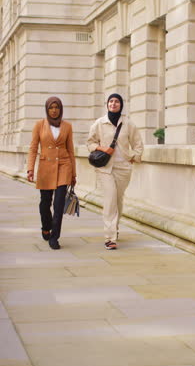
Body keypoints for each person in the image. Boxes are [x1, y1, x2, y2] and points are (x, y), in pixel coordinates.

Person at [87, 93, 143, 250]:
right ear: (107, 104)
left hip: (123, 168)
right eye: (111, 101)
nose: (113, 104)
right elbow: (90, 143)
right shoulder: (99, 123)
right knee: (110, 199)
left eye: (116, 101)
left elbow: (138, 144)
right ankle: (109, 237)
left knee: (118, 200)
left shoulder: (129, 124)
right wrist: (102, 148)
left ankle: (115, 229)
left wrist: (134, 157)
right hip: (105, 168)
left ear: (121, 105)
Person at [27, 96, 76, 250]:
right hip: (45, 167)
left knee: (59, 203)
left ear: (61, 109)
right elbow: (33, 147)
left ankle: (55, 237)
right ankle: (46, 226)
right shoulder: (39, 125)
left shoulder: (67, 126)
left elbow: (71, 150)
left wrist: (73, 173)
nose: (54, 110)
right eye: (51, 108)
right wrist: (30, 168)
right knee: (45, 203)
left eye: (57, 107)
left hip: (64, 166)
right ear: (47, 109)